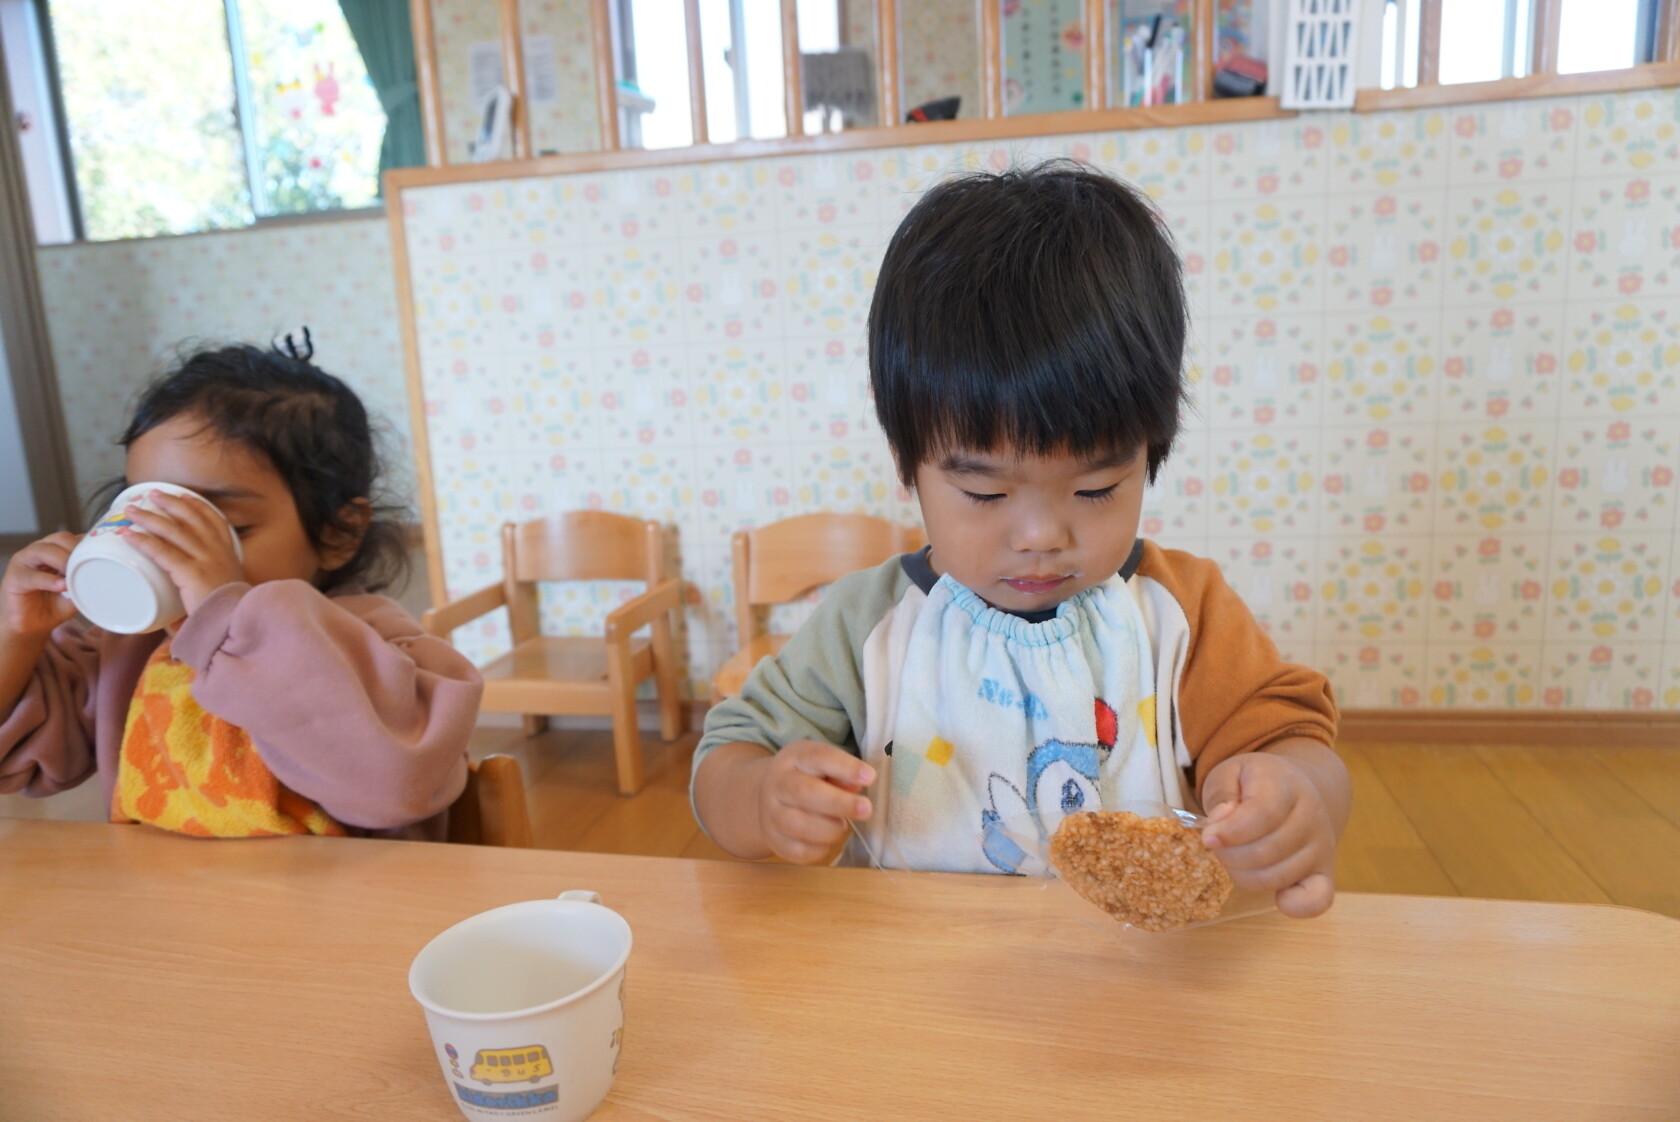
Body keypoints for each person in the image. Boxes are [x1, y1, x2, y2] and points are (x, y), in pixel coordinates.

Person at [692, 162, 1349, 917]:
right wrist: (764, 799)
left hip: (1138, 969)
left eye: (1095, 489)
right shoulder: (865, 627)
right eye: (985, 493)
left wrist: (1294, 798)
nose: (1041, 536)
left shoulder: (1180, 612)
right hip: (910, 966)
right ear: (908, 464)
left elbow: (1292, 741)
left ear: (1150, 453)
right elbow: (726, 760)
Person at [0, 342, 481, 840]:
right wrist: (16, 635)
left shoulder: (383, 646)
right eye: (151, 521)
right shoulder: (124, 652)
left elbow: (397, 787)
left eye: (222, 528)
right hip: (165, 890)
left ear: (338, 533)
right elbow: (14, 759)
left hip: (346, 891)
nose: (176, 557)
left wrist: (227, 618)